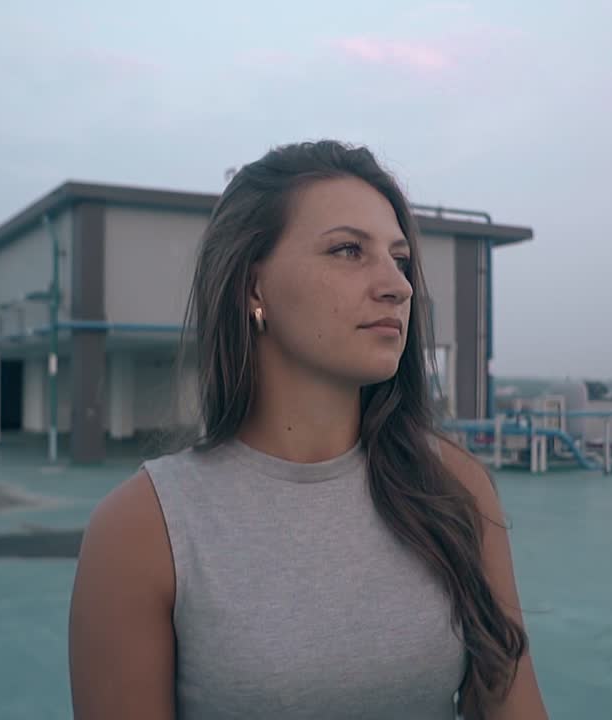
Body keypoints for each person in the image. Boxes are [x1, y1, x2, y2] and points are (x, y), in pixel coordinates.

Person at [68, 140, 547, 719]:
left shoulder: (454, 489)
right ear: (253, 288)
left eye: (399, 257)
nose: (398, 285)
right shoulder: (145, 529)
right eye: (348, 250)